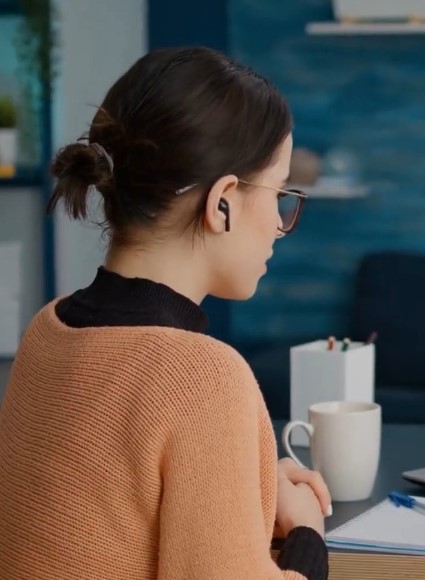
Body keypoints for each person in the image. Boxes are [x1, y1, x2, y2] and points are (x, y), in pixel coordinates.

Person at [0, 47, 331, 579]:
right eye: (279, 193)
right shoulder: (203, 378)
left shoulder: (47, 330)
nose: (278, 223)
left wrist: (247, 480)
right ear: (223, 202)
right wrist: (308, 531)